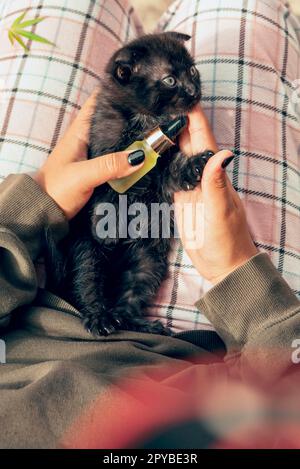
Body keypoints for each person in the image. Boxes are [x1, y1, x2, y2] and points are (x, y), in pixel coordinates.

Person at [0, 0, 299, 449]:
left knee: (66, 8)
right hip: (192, 344)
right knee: (245, 12)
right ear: (126, 75)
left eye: (188, 75)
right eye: (174, 81)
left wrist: (28, 207)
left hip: (33, 311)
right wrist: (240, 272)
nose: (192, 89)